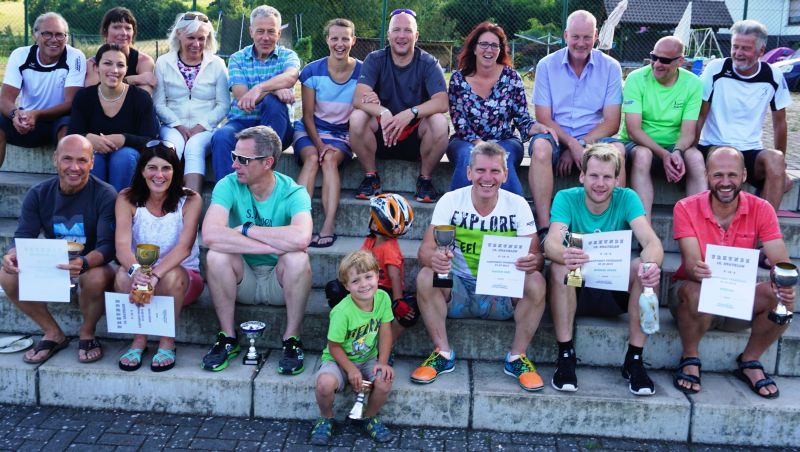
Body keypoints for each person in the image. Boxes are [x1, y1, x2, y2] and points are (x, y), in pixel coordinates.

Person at [411, 142, 548, 392]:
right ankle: (442, 353)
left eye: (495, 171)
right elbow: (424, 251)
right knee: (425, 276)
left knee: (536, 281)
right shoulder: (451, 201)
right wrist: (434, 259)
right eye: (481, 170)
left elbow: (537, 257)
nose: (488, 178)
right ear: (469, 173)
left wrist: (533, 261)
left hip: (501, 290)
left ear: (505, 175)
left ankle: (517, 358)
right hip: (458, 288)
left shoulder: (516, 204)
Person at [670, 147, 794, 398]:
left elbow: (780, 259)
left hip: (737, 298)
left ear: (744, 175)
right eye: (718, 175)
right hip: (698, 298)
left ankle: (750, 360)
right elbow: (692, 262)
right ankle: (690, 356)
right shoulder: (686, 207)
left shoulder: (762, 208)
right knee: (693, 291)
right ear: (706, 175)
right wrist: (698, 268)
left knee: (781, 297)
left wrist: (784, 283)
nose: (725, 182)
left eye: (732, 175)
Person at [544, 143, 663, 396]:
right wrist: (566, 254)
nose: (600, 183)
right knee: (558, 268)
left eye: (607, 177)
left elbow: (651, 242)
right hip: (577, 283)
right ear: (582, 176)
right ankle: (565, 354)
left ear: (617, 180)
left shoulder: (627, 197)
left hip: (614, 285)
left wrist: (651, 264)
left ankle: (634, 359)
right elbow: (552, 242)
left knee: (646, 268)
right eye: (594, 176)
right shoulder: (567, 197)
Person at [201, 126, 312, 374]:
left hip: (279, 281)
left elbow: (301, 237)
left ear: (267, 162)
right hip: (243, 277)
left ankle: (292, 340)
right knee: (217, 255)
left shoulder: (294, 192)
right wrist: (272, 243)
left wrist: (248, 229)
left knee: (297, 258)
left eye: (243, 160)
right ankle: (228, 338)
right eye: (234, 156)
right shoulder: (227, 185)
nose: (234, 165)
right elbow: (210, 234)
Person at [0, 135, 116, 364]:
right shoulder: (39, 193)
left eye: (82, 160)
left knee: (96, 276)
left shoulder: (105, 194)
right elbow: (24, 236)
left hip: (90, 266)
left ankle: (87, 332)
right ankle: (53, 333)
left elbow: (108, 246)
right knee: (7, 276)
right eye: (67, 159)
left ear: (92, 162)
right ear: (55, 160)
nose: (74, 167)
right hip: (52, 264)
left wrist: (83, 263)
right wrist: (13, 254)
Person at [529, 10, 625, 241]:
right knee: (541, 149)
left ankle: (611, 235)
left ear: (596, 37)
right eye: (575, 37)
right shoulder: (546, 65)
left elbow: (612, 123)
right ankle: (545, 229)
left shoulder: (611, 67)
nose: (581, 43)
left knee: (618, 152)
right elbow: (543, 117)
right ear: (565, 35)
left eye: (587, 37)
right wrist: (572, 145)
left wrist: (581, 144)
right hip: (555, 134)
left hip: (593, 137)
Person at [113, 140, 203, 373]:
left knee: (171, 276)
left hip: (182, 277)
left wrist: (154, 277)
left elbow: (184, 248)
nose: (159, 175)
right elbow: (122, 247)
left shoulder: (190, 200)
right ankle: (139, 340)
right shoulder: (126, 198)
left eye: (166, 168)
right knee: (123, 275)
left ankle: (166, 342)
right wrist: (137, 273)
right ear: (142, 171)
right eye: (152, 168)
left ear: (175, 171)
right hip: (141, 272)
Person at [349, 8, 449, 203]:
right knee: (357, 117)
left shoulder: (428, 62)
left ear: (416, 35)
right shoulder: (375, 59)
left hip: (415, 138)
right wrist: (383, 111)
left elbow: (442, 102)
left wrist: (411, 112)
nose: (401, 36)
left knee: (438, 122)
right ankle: (371, 177)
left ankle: (425, 180)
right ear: (388, 35)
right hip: (381, 135)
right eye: (396, 30)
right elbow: (358, 99)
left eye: (408, 30)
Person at [447, 21, 556, 196]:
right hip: (465, 141)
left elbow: (522, 118)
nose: (488, 50)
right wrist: (481, 145)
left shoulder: (511, 77)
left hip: (505, 140)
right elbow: (460, 123)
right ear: (474, 48)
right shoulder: (458, 79)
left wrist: (538, 128)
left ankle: (514, 217)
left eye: (494, 45)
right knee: (470, 156)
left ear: (500, 50)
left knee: (501, 158)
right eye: (483, 44)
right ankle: (456, 215)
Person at [697, 19, 792, 211]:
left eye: (745, 48)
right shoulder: (716, 69)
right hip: (715, 147)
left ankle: (762, 230)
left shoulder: (773, 75)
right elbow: (699, 116)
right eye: (735, 46)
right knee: (783, 182)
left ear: (761, 51)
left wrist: (779, 165)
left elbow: (780, 123)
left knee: (776, 162)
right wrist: (689, 151)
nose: (738, 53)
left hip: (750, 151)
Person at [310, 250, 395, 446]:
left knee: (384, 381)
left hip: (368, 357)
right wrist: (351, 369)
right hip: (337, 359)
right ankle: (326, 418)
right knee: (324, 384)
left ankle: (369, 417)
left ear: (378, 276)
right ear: (347, 286)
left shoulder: (382, 298)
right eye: (356, 281)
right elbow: (334, 346)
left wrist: (382, 362)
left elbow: (385, 332)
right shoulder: (342, 312)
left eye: (368, 277)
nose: (364, 284)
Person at [211, 5, 300, 182]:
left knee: (274, 104)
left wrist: (259, 89)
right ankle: (226, 196)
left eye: (271, 31)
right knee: (221, 136)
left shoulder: (288, 56)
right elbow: (243, 98)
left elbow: (291, 76)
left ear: (279, 34)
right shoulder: (237, 58)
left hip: (277, 127)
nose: (265, 37)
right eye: (260, 31)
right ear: (251, 31)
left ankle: (260, 182)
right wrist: (274, 88)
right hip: (242, 122)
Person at [294, 18, 361, 248]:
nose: (339, 43)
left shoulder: (363, 71)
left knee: (330, 161)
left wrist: (330, 147)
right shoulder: (312, 71)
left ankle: (328, 225)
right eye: (334, 38)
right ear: (327, 40)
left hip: (342, 133)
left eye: (345, 38)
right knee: (313, 159)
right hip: (311, 129)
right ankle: (300, 225)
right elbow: (308, 116)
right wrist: (320, 145)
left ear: (353, 40)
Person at [621, 36, 705, 220]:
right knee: (643, 155)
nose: (657, 64)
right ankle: (646, 232)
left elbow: (688, 132)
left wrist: (676, 151)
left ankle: (698, 229)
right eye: (654, 57)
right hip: (636, 144)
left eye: (665, 60)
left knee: (696, 158)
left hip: (672, 147)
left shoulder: (693, 83)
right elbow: (634, 130)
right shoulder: (635, 78)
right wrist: (665, 154)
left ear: (680, 61)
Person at [324, 193, 419, 341]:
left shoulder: (389, 249)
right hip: (367, 286)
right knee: (335, 289)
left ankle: (383, 346)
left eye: (372, 216)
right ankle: (350, 330)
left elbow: (395, 276)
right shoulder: (371, 241)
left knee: (409, 311)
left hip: (385, 292)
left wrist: (398, 301)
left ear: (378, 224)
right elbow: (358, 263)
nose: (369, 218)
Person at [154, 11, 229, 194]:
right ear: (179, 34)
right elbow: (159, 104)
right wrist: (178, 125)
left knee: (194, 147)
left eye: (202, 38)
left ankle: (190, 208)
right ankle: (163, 203)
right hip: (172, 126)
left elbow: (224, 105)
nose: (196, 44)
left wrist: (201, 126)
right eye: (191, 38)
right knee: (171, 147)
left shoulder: (217, 64)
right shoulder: (163, 63)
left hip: (206, 128)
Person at [68, 43, 158, 192]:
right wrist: (89, 138)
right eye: (107, 63)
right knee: (92, 157)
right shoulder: (84, 97)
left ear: (126, 70)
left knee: (123, 157)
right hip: (95, 152)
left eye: (120, 65)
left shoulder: (140, 98)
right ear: (96, 67)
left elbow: (150, 140)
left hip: (128, 157)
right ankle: (95, 210)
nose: (114, 70)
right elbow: (73, 134)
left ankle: (122, 209)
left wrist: (123, 139)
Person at [0, 12, 85, 168]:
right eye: (47, 34)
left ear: (66, 37)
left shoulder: (75, 56)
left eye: (60, 35)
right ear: (35, 35)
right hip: (27, 123)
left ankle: (66, 185)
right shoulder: (20, 55)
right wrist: (15, 115)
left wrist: (37, 114)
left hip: (57, 122)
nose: (54, 40)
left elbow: (71, 102)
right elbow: (5, 99)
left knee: (68, 124)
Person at [84, 7, 157, 95]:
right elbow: (96, 94)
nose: (123, 33)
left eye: (128, 28)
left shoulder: (144, 61)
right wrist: (134, 79)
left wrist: (112, 84)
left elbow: (144, 96)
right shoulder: (92, 64)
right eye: (116, 27)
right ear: (105, 31)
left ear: (133, 32)